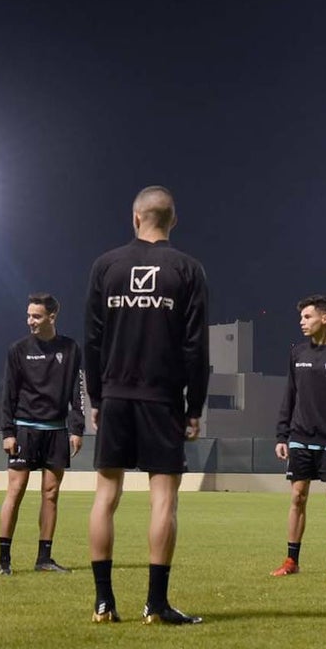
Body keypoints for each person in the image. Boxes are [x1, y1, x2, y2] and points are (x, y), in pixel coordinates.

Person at [85, 185, 209, 624]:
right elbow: (196, 347)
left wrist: (96, 397)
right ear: (173, 221)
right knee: (164, 502)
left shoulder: (106, 266)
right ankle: (156, 605)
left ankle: (103, 603)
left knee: (106, 496)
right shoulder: (187, 269)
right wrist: (194, 407)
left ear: (135, 217)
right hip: (163, 399)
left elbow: (93, 340)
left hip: (116, 395)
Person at [270, 295, 326, 579]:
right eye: (301, 318)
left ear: (325, 318)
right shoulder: (297, 354)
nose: (302, 322)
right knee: (298, 497)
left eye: (307, 317)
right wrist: (282, 435)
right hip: (300, 436)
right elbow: (289, 395)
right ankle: (291, 561)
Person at [0, 293, 85, 575]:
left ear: (52, 317)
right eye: (28, 315)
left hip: (56, 431)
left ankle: (44, 559)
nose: (30, 321)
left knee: (51, 494)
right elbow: (8, 393)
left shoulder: (71, 349)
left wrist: (77, 428)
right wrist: (8, 432)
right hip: (24, 430)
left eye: (36, 316)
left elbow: (77, 392)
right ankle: (4, 561)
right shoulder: (18, 349)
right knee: (15, 491)